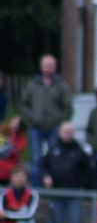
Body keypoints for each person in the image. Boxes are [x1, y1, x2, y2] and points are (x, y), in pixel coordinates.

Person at [20, 54, 73, 185]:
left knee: (54, 159)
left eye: (51, 65)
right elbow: (24, 104)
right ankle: (36, 189)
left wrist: (59, 120)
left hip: (54, 128)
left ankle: (52, 189)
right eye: (46, 65)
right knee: (36, 159)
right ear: (41, 67)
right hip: (35, 128)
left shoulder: (61, 86)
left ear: (55, 67)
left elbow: (68, 108)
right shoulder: (33, 85)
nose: (48, 68)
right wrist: (31, 118)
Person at [41, 121, 91, 223]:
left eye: (70, 132)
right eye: (65, 132)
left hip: (74, 193)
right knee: (56, 222)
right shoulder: (52, 148)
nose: (67, 135)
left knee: (75, 222)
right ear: (60, 133)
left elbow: (88, 169)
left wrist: (82, 183)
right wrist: (46, 176)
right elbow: (44, 166)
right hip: (57, 192)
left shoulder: (79, 150)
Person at [0, 117, 28, 186]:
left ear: (20, 125)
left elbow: (18, 150)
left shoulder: (21, 137)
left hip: (11, 168)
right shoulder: (3, 131)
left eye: (16, 122)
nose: (13, 123)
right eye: (12, 121)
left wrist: (11, 140)